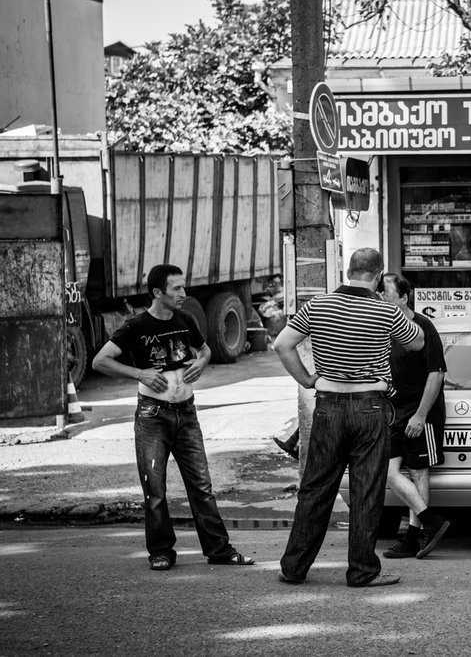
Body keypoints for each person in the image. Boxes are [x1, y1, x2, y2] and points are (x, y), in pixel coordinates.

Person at [272, 248, 426, 587]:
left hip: (328, 406)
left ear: (348, 271)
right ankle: (361, 570)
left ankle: (294, 567)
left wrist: (307, 378)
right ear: (377, 273)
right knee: (366, 490)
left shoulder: (318, 306)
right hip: (370, 408)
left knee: (315, 488)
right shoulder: (386, 310)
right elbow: (417, 343)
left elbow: (283, 345)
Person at [92, 264, 255, 571]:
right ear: (157, 293)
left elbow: (204, 350)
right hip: (153, 416)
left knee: (202, 486)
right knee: (155, 489)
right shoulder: (136, 326)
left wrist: (202, 362)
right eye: (177, 288)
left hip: (187, 413)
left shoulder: (185, 319)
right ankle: (161, 551)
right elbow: (101, 360)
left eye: (183, 287)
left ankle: (219, 550)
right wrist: (139, 372)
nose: (184, 293)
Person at [378, 273, 452, 559]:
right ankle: (430, 522)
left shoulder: (423, 328)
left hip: (423, 413)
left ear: (403, 297)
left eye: (385, 293)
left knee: (418, 470)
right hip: (395, 414)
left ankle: (413, 535)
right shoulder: (385, 329)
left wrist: (420, 416)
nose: (381, 297)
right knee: (388, 471)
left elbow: (437, 374)